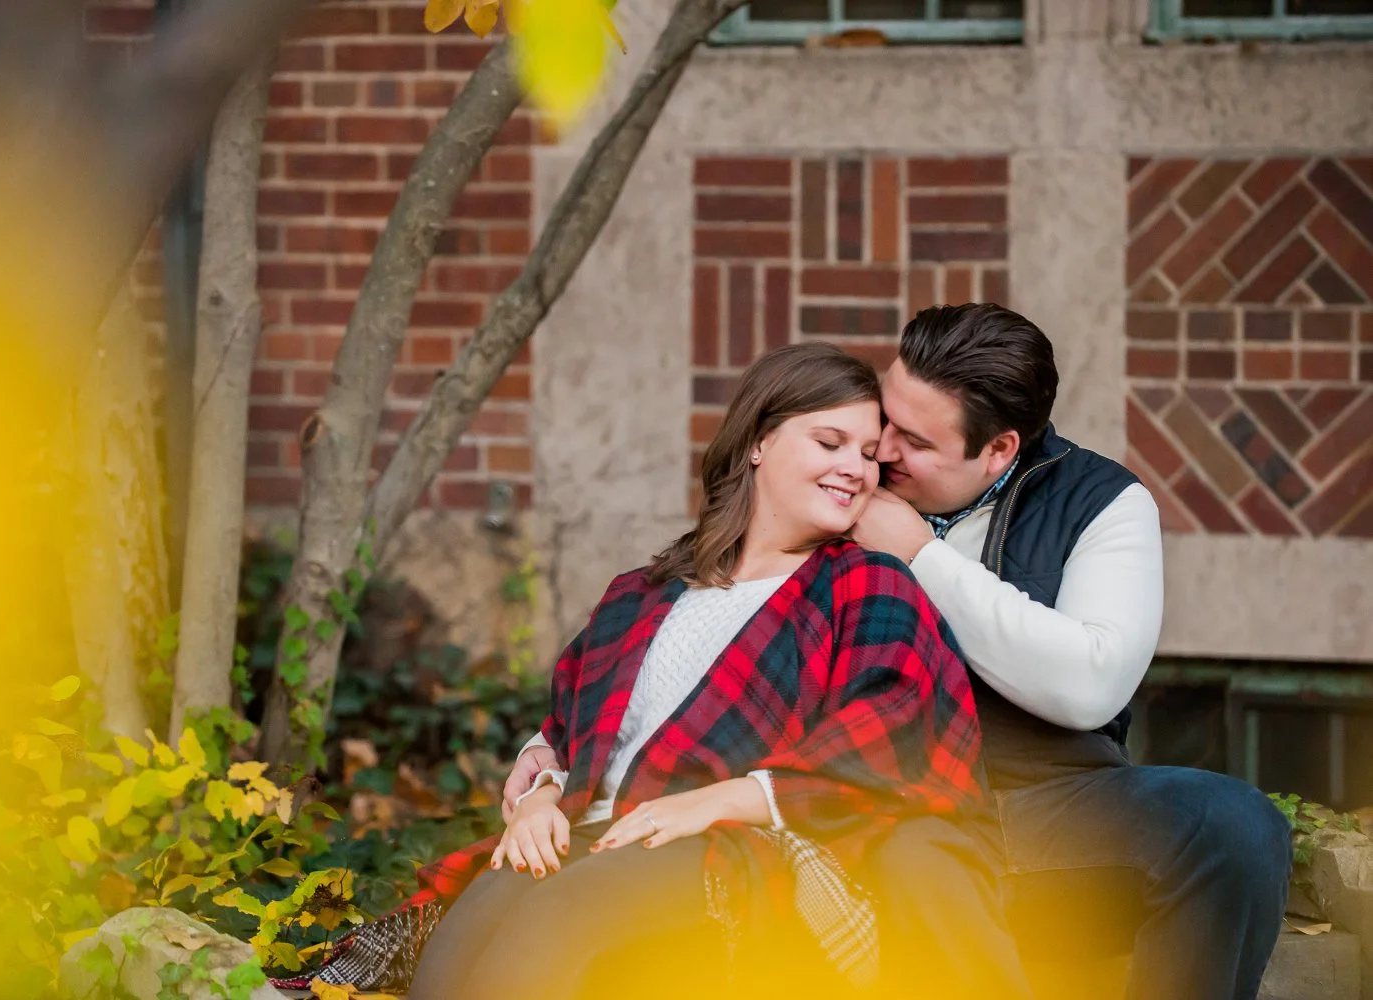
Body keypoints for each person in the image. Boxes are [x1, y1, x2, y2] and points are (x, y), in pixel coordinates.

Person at [509, 304, 1290, 1000]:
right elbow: (697, 614)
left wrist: (922, 555)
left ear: (998, 451)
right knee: (920, 856)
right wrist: (554, 751)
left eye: (912, 440)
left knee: (1235, 824)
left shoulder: (1104, 505)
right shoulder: (841, 483)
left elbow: (1091, 687)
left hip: (1043, 795)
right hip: (870, 787)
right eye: (886, 413)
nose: (878, 449)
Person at [294, 342, 993, 999]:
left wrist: (717, 800)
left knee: (558, 920)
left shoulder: (863, 584)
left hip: (734, 849)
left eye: (870, 455)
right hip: (591, 827)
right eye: (829, 442)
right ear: (757, 442)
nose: (856, 468)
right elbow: (574, 732)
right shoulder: (645, 589)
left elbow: (890, 729)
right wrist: (539, 795)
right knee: (456, 952)